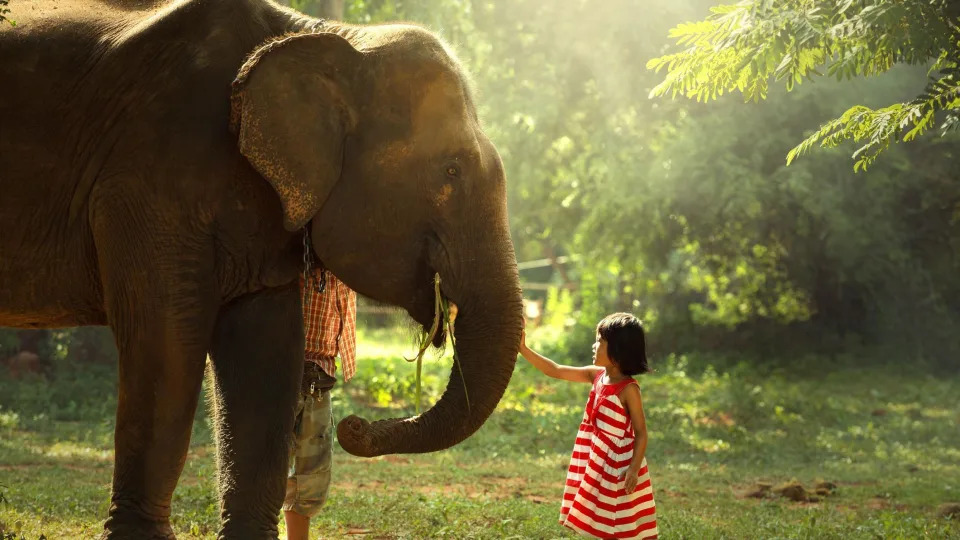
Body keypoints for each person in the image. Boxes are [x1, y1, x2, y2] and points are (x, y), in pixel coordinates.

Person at [518, 312, 658, 539]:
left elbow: (641, 433)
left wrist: (633, 468)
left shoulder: (628, 389)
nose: (594, 346)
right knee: (598, 516)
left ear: (618, 350)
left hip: (618, 467)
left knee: (620, 520)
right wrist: (523, 349)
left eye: (600, 342)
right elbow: (554, 369)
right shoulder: (596, 376)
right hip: (596, 458)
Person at [284, 267, 357, 540]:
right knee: (267, 466)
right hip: (277, 373)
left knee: (311, 473)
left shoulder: (344, 268)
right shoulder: (292, 261)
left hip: (319, 377)